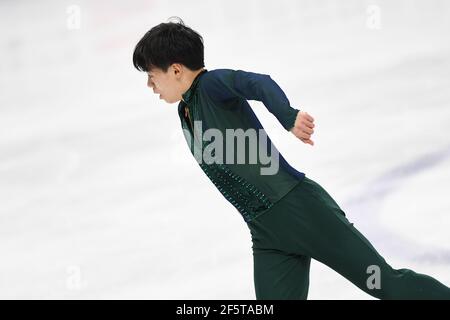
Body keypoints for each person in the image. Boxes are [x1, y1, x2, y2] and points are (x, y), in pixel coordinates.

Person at [132, 17, 450, 300]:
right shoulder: (185, 110)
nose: (150, 85)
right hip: (267, 233)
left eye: (151, 75)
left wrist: (288, 116)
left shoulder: (212, 85)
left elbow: (258, 82)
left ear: (175, 70)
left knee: (386, 285)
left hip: (302, 211)